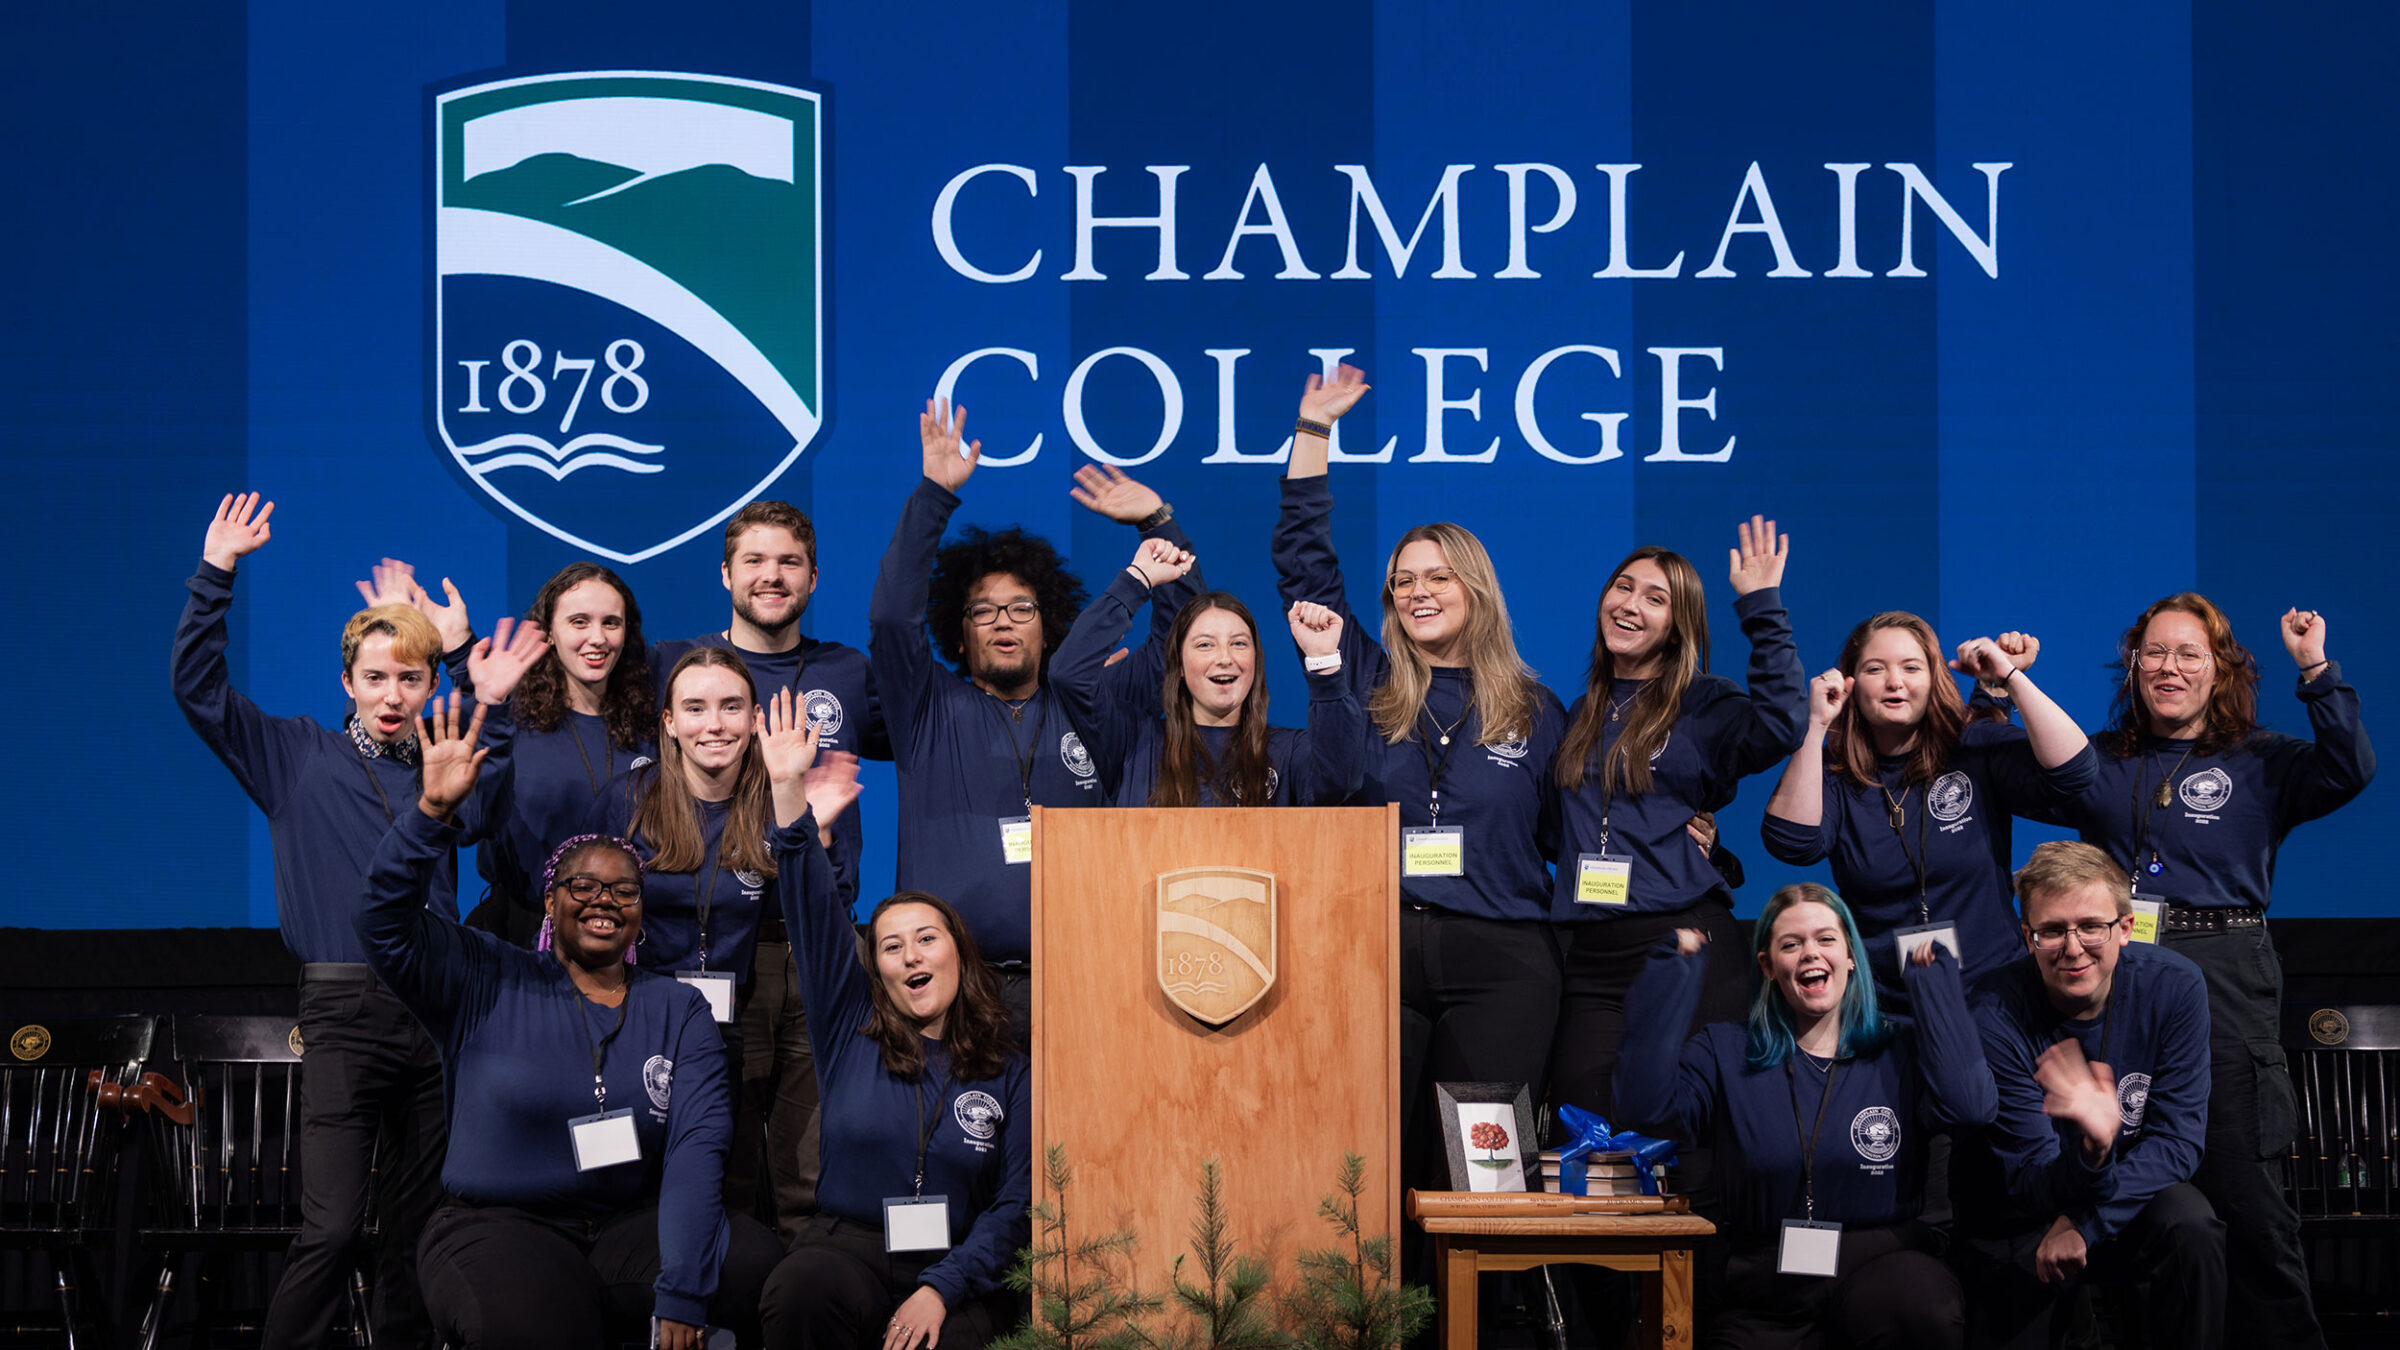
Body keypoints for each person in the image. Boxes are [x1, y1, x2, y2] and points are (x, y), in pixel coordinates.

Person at [174, 494, 542, 1350]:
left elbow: (492, 808)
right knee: (333, 1228)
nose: (392, 694)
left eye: (409, 679)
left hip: (438, 1009)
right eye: (375, 678)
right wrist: (215, 572)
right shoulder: (295, 753)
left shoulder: (440, 760)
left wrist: (473, 681)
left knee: (424, 1228)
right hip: (344, 1012)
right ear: (347, 682)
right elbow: (197, 692)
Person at [357, 693, 780, 1349]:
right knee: (535, 1324)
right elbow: (382, 924)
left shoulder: (676, 1009)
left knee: (760, 1269)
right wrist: (432, 812)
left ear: (641, 910)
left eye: (623, 890)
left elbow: (698, 1152)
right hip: (501, 1226)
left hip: (626, 1227)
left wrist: (682, 1293)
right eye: (582, 886)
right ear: (551, 901)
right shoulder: (482, 976)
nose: (603, 900)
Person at [2039, 595, 2372, 1349]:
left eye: (2190, 653)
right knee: (2128, 1191)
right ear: (2133, 665)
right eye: (2154, 652)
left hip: (2226, 973)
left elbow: (2351, 768)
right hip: (2118, 980)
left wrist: (2316, 670)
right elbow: (2013, 772)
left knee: (2249, 1204)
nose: (2170, 668)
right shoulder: (2105, 760)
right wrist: (1997, 695)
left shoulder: (2261, 758)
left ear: (2219, 668)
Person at [1268, 365, 1569, 1196]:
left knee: (1485, 1178)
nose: (1418, 592)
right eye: (1403, 580)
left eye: (1436, 576)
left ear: (1474, 587)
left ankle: (1487, 1327)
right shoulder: (1364, 678)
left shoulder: (1538, 711)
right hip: (1379, 950)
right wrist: (1313, 430)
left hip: (1503, 959)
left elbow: (1575, 834)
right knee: (1365, 1171)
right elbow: (1302, 565)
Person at [871, 400, 1200, 1031]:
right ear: (956, 632)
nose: (1002, 621)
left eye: (1022, 609)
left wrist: (1161, 526)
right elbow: (890, 615)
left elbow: (1177, 641)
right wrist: (934, 496)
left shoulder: (1091, 699)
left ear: (1050, 625)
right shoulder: (926, 708)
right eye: (983, 611)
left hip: (1082, 982)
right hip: (955, 997)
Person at [754, 690, 1030, 1350]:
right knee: (800, 1290)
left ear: (960, 954)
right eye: (891, 945)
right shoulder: (849, 1030)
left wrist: (944, 1285)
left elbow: (1017, 1204)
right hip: (848, 1249)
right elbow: (815, 917)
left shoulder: (1010, 1067)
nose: (911, 954)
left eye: (927, 939)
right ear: (875, 968)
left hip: (958, 1264)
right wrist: (789, 797)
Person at [650, 500, 890, 1239]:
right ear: (725, 573)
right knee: (713, 1159)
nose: (771, 575)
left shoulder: (847, 671)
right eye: (754, 560)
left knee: (812, 1166)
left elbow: (942, 726)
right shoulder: (678, 668)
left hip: (821, 945)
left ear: (814, 577)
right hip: (713, 947)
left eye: (788, 561)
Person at [1615, 883, 1995, 1348]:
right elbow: (1646, 1110)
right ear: (1768, 966)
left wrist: (1934, 987)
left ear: (1851, 956)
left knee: (1922, 1308)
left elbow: (1971, 1106)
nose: (1810, 954)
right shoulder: (1725, 1051)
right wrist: (1671, 978)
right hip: (1769, 1286)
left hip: (1882, 1266)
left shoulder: (1900, 1049)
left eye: (1826, 939)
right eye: (1791, 944)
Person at [1548, 527, 1808, 1125]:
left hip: (1683, 941)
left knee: (1684, 1130)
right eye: (1622, 587)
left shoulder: (1703, 703)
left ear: (1678, 625)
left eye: (1655, 599)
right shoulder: (1582, 711)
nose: (1630, 604)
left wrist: (1763, 607)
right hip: (1590, 952)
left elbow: (1782, 723)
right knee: (1584, 1125)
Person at [1954, 841, 2222, 1350]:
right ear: (2027, 936)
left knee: (2191, 1226)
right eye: (2051, 931)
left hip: (2124, 1200)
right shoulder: (1992, 1010)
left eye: (2091, 926)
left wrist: (2087, 1221)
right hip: (2023, 1210)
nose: (2073, 948)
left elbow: (2178, 1142)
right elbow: (2027, 1179)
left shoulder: (2175, 986)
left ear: (2124, 928)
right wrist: (2094, 1151)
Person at [1761, 619, 2095, 1010]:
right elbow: (1792, 843)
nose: (1894, 682)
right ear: (1851, 682)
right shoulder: (1838, 773)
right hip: (1889, 1008)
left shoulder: (1971, 747)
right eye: (1875, 669)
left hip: (1995, 999)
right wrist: (1816, 725)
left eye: (1911, 667)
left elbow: (2076, 770)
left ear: (1933, 679)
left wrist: (2009, 675)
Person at [591, 648, 782, 1214]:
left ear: (753, 718)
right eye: (694, 709)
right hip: (635, 1023)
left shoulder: (775, 800)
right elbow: (574, 917)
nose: (714, 725)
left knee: (722, 1186)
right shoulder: (627, 799)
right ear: (669, 723)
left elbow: (817, 910)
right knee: (629, 1186)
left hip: (733, 1027)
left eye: (730, 707)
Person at [1052, 536, 1363, 807]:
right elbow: (1068, 673)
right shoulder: (1132, 741)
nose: (1224, 658)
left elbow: (1340, 780)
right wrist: (1136, 580)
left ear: (1256, 661)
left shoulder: (1287, 752)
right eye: (1205, 645)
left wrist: (1324, 661)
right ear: (1179, 666)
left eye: (1239, 644)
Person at [471, 561, 657, 948]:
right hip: (520, 936)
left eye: (611, 622)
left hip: (625, 941)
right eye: (579, 622)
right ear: (550, 633)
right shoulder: (510, 719)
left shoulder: (651, 727)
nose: (598, 638)